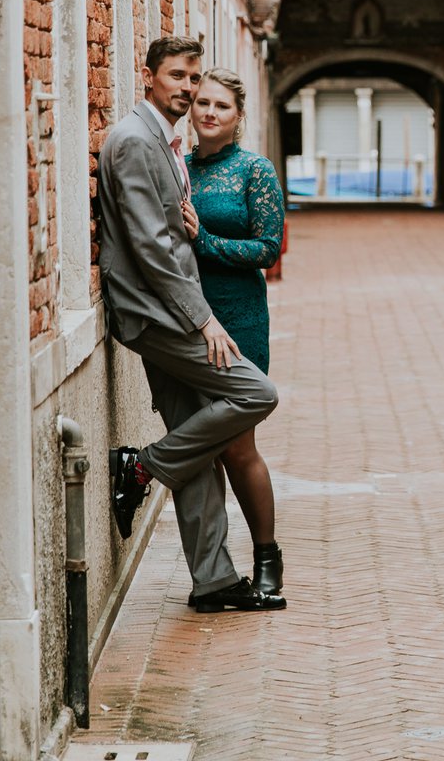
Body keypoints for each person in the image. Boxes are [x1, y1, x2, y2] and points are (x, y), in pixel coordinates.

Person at [96, 36, 286, 614]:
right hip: (163, 316)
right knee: (257, 393)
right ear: (149, 76)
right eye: (178, 77)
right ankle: (145, 465)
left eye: (194, 78)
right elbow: (153, 247)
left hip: (191, 309)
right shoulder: (135, 141)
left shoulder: (167, 142)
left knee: (202, 450)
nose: (188, 90)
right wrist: (202, 318)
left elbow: (262, 245)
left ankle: (213, 579)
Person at [181, 68, 287, 594]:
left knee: (238, 446)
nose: (209, 113)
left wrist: (206, 244)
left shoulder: (255, 171)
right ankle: (216, 571)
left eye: (221, 106)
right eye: (202, 103)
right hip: (186, 320)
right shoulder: (176, 168)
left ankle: (267, 556)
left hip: (239, 318)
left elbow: (268, 250)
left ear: (238, 116)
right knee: (206, 450)